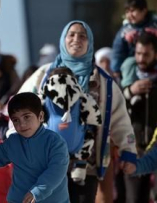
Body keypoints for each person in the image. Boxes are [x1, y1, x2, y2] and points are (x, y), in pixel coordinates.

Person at [19, 20, 137, 203]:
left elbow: (120, 119)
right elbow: (19, 108)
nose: (76, 39)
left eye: (82, 36)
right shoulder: (43, 76)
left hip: (85, 167)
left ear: (89, 42)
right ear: (63, 39)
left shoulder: (103, 82)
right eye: (71, 35)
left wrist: (128, 151)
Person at [0, 92, 69, 203]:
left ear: (40, 116)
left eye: (26, 117)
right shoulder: (13, 142)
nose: (22, 124)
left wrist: (37, 192)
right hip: (19, 200)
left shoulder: (55, 142)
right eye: (16, 120)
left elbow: (56, 171)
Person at [41, 67, 102, 185]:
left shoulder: (45, 95)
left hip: (51, 145)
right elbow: (95, 118)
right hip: (77, 143)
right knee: (88, 133)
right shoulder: (81, 96)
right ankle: (80, 167)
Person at [117, 32, 157, 202]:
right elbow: (114, 109)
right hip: (134, 149)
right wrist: (130, 91)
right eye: (138, 53)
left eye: (146, 54)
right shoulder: (126, 79)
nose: (141, 59)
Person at [111, 0, 157, 78]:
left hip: (153, 62)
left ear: (144, 11)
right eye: (127, 12)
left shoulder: (154, 25)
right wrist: (116, 70)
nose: (129, 15)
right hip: (134, 65)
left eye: (133, 11)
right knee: (128, 64)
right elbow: (118, 51)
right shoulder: (125, 30)